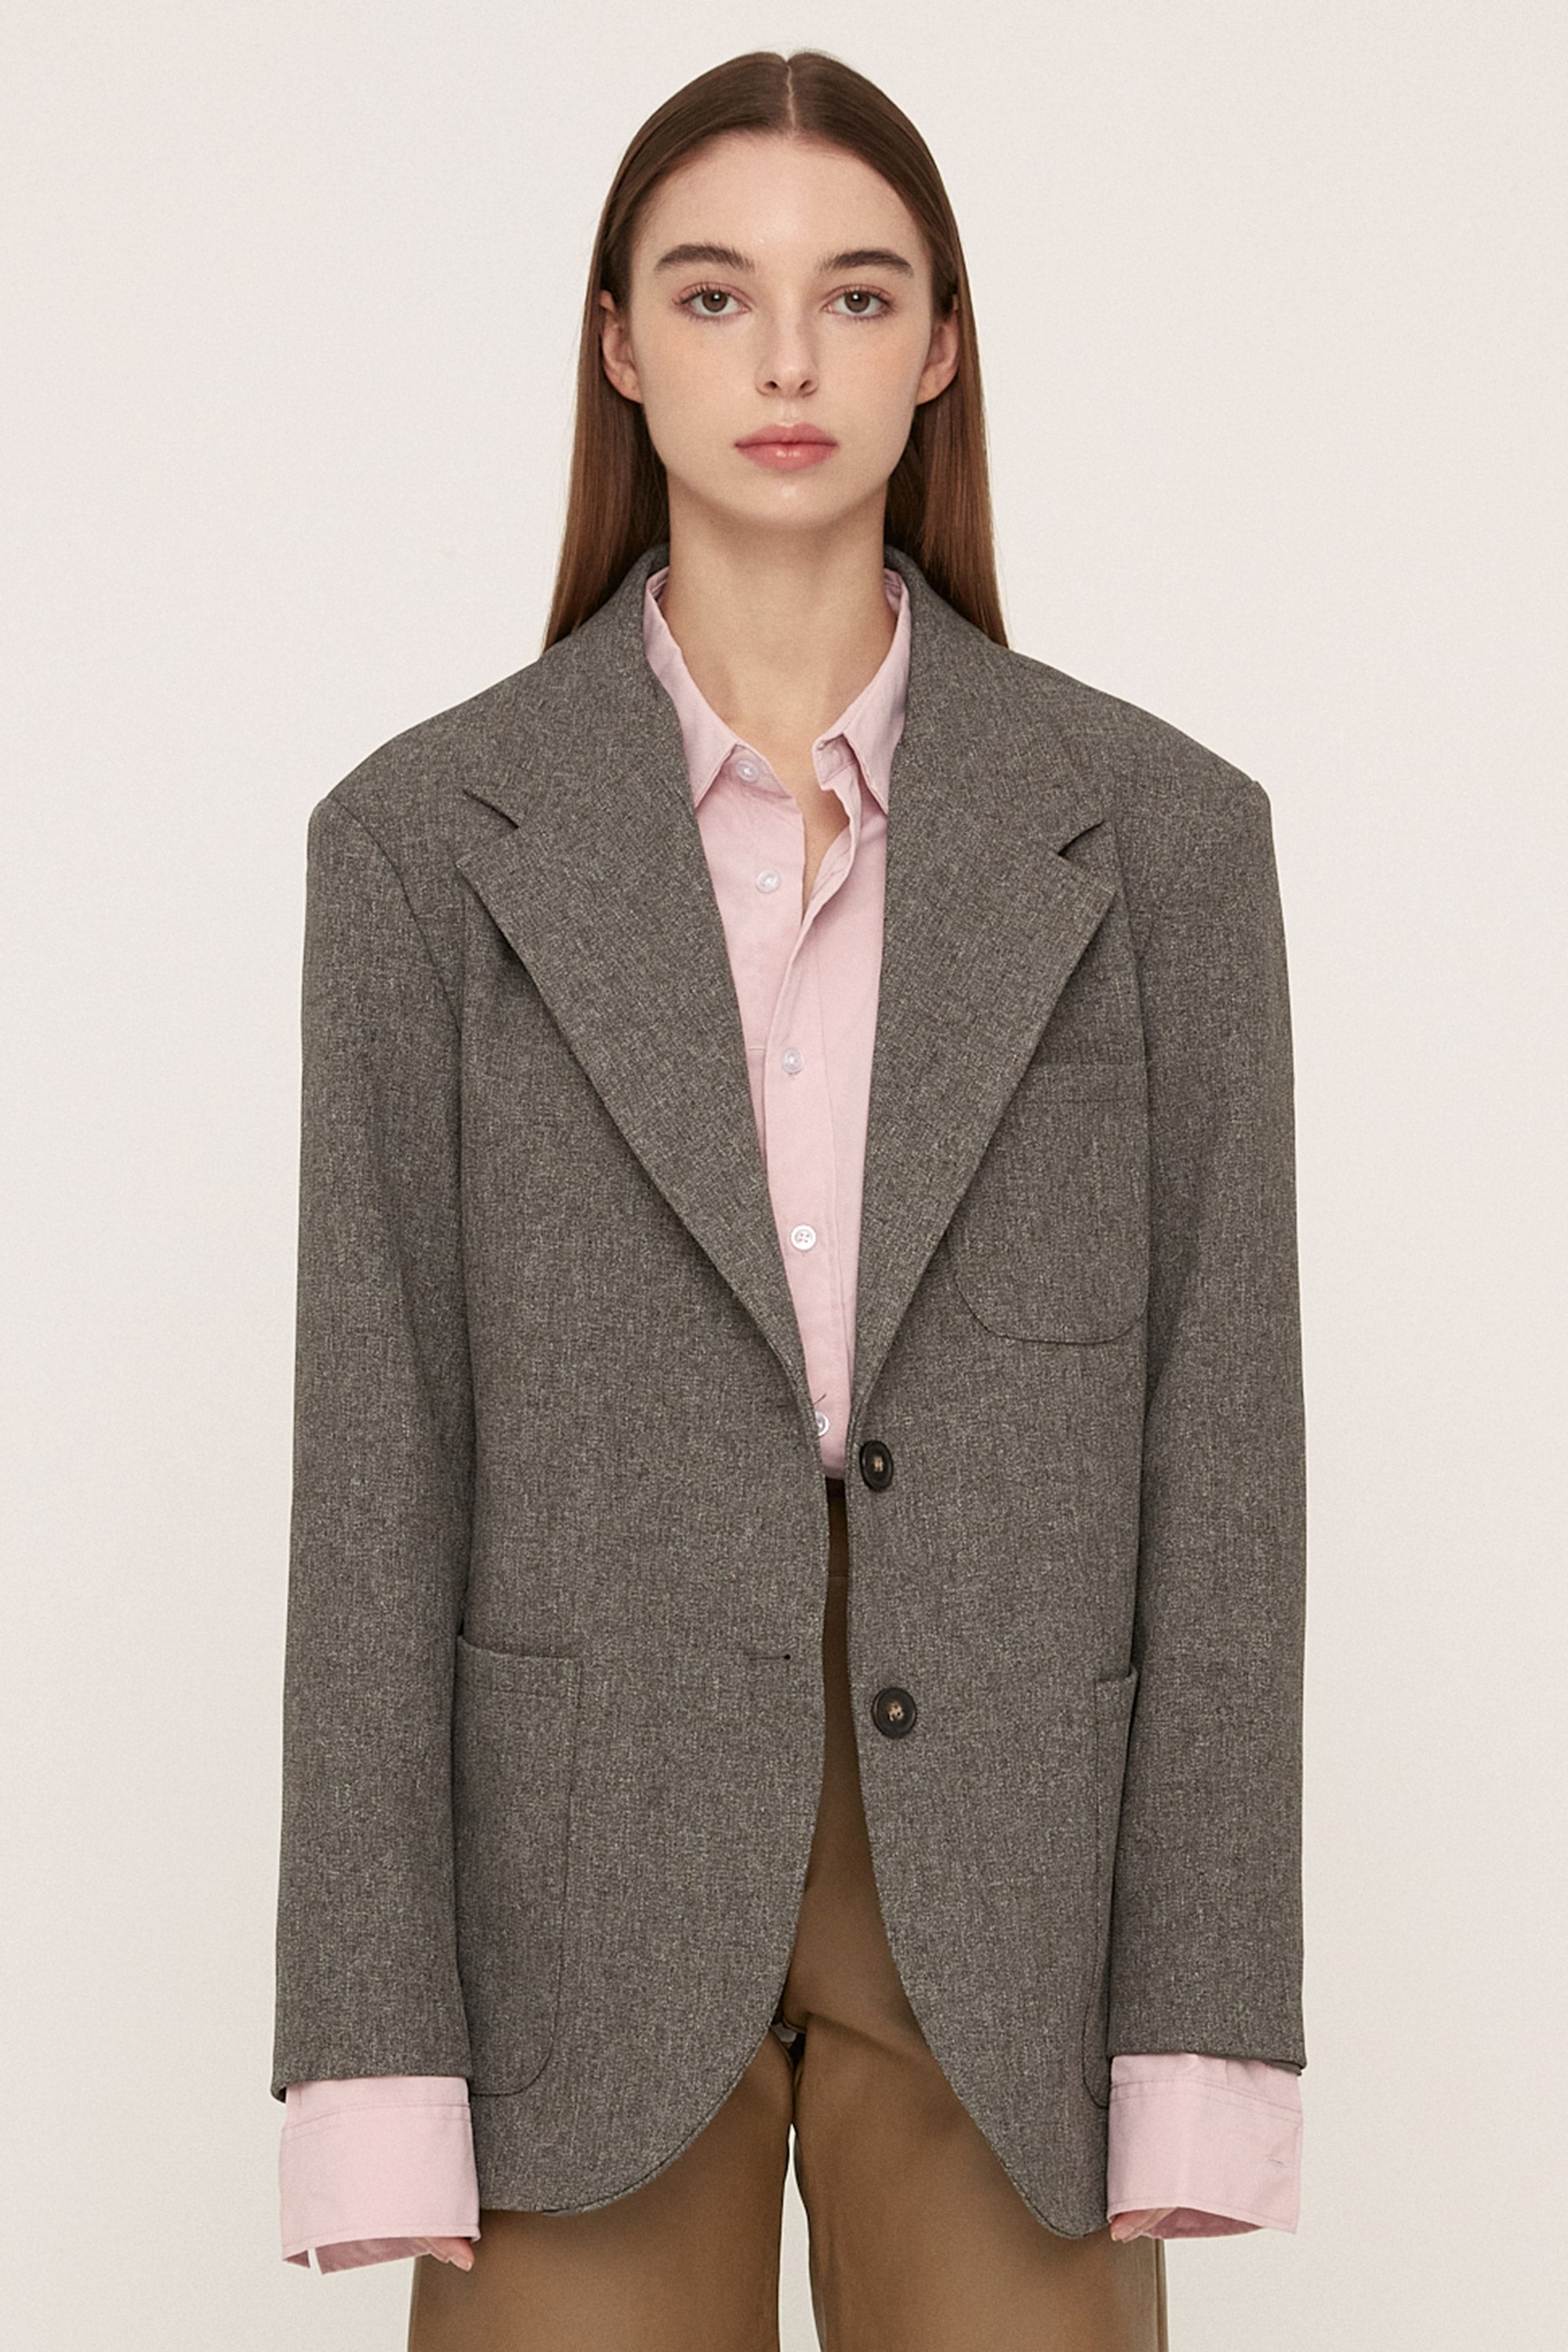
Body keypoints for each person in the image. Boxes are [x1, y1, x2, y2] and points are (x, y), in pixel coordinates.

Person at [271, 48, 1307, 2351]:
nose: (786, 362)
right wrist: (370, 2051)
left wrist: (1204, 2027)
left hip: (1017, 1914)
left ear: (938, 347)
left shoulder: (1161, 839)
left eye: (855, 295)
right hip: (572, 1902)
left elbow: (1223, 1455)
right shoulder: (426, 846)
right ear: (620, 345)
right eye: (714, 294)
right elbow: (377, 1473)